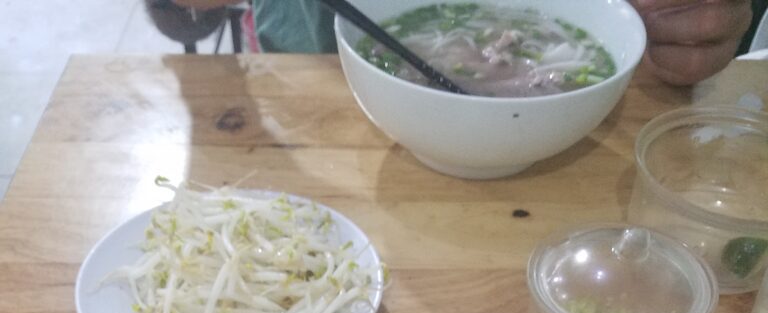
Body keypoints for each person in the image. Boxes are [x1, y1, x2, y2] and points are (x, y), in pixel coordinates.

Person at [174, 0, 765, 84]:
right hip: (310, 95)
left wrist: (698, 24)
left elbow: (723, 17)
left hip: (600, 146)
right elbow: (179, 19)